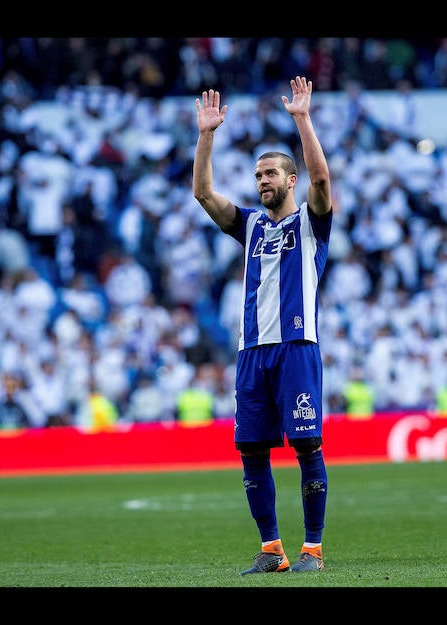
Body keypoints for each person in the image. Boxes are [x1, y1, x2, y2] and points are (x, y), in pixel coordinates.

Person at [193, 76, 332, 574]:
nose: (262, 181)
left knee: (306, 445)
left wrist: (303, 120)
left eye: (271, 173)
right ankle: (272, 549)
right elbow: (203, 193)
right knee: (251, 450)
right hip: (252, 351)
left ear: (290, 180)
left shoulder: (311, 223)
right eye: (258, 175)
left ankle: (312, 549)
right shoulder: (250, 224)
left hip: (296, 346)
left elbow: (321, 181)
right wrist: (206, 135)